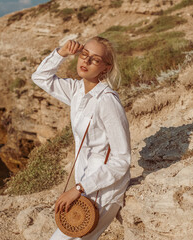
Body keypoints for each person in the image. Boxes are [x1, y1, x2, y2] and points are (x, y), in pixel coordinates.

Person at [31, 36, 131, 239]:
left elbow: (122, 160)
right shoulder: (76, 91)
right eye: (84, 55)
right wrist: (61, 53)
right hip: (85, 185)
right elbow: (40, 77)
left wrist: (78, 188)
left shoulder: (107, 102)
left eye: (94, 59)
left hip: (104, 190)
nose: (85, 61)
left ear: (105, 67)